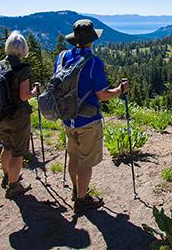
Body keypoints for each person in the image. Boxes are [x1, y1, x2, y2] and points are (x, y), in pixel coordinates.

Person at [56, 19, 129, 213]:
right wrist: (120, 90)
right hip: (88, 120)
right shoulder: (94, 63)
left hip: (67, 117)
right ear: (91, 40)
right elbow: (102, 95)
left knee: (73, 156)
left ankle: (75, 189)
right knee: (86, 162)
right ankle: (82, 199)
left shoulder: (62, 57)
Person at [0, 31, 40, 198]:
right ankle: (14, 186)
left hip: (2, 113)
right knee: (18, 152)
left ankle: (7, 176)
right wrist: (34, 91)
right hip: (18, 115)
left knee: (6, 147)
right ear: (23, 49)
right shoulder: (22, 69)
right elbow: (24, 95)